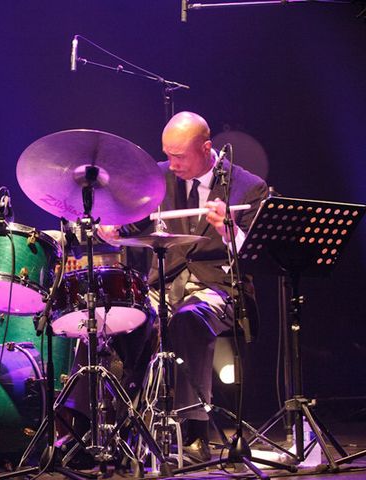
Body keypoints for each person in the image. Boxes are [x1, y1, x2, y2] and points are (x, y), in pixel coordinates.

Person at [142, 111, 268, 461]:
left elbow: (256, 254)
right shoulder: (156, 177)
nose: (171, 163)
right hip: (164, 284)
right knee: (122, 318)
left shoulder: (248, 186)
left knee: (189, 319)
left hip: (220, 288)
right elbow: (129, 223)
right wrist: (113, 227)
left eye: (178, 156)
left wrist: (230, 231)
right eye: (167, 154)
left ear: (207, 147)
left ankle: (191, 429)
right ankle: (93, 424)